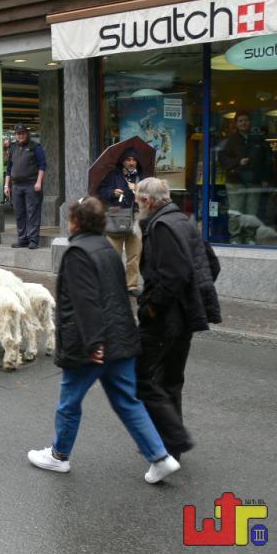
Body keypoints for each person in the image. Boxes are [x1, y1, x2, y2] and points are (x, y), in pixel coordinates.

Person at [26, 197, 180, 484]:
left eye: (70, 218)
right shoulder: (107, 249)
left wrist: (94, 342)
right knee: (127, 401)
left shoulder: (77, 253)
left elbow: (85, 302)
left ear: (76, 222)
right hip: (120, 339)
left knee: (69, 401)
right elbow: (116, 296)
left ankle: (59, 456)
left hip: (90, 344)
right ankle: (160, 457)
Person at [135, 177, 221, 461]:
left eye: (138, 201)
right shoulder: (182, 220)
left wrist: (152, 306)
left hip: (166, 317)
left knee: (144, 378)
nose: (137, 207)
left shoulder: (162, 226)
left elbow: (176, 274)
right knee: (170, 379)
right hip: (184, 315)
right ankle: (170, 444)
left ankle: (170, 441)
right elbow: (211, 265)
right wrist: (192, 296)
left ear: (148, 201)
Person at [218, 111, 271, 243]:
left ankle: (249, 237)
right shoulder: (229, 141)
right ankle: (235, 237)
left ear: (250, 122)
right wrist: (238, 162)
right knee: (236, 212)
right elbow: (222, 160)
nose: (243, 123)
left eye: (246, 120)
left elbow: (268, 161)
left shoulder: (258, 139)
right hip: (235, 181)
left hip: (254, 181)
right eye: (240, 120)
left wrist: (265, 178)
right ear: (236, 123)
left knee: (251, 212)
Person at [98, 148, 143, 295]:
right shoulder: (113, 175)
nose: (131, 162)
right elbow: (101, 191)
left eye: (134, 160)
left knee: (134, 256)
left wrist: (138, 189)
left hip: (136, 220)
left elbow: (150, 195)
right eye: (128, 159)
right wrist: (112, 192)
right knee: (113, 256)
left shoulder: (142, 177)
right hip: (116, 218)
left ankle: (132, 286)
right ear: (122, 161)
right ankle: (113, 285)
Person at [5, 124, 46, 249]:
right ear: (16, 135)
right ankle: (22, 239)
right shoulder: (13, 148)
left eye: (23, 133)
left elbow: (42, 166)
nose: (21, 135)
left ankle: (33, 240)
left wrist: (39, 182)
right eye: (18, 134)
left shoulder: (35, 147)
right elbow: (9, 168)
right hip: (16, 186)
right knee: (19, 213)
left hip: (31, 185)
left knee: (32, 213)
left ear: (26, 134)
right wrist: (6, 185)